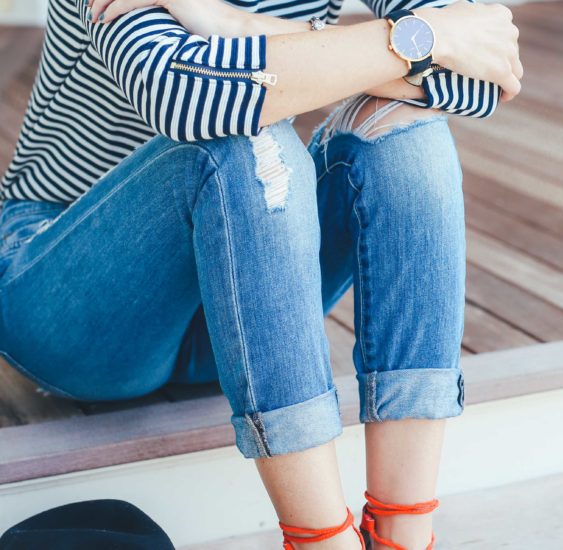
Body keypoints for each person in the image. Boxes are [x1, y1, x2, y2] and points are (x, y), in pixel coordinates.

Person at [0, 0, 521, 547]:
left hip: (235, 289)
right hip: (77, 303)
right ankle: (321, 540)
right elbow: (187, 95)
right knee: (243, 139)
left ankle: (403, 530)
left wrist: (231, 25)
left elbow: (482, 77)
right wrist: (418, 41)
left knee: (407, 133)